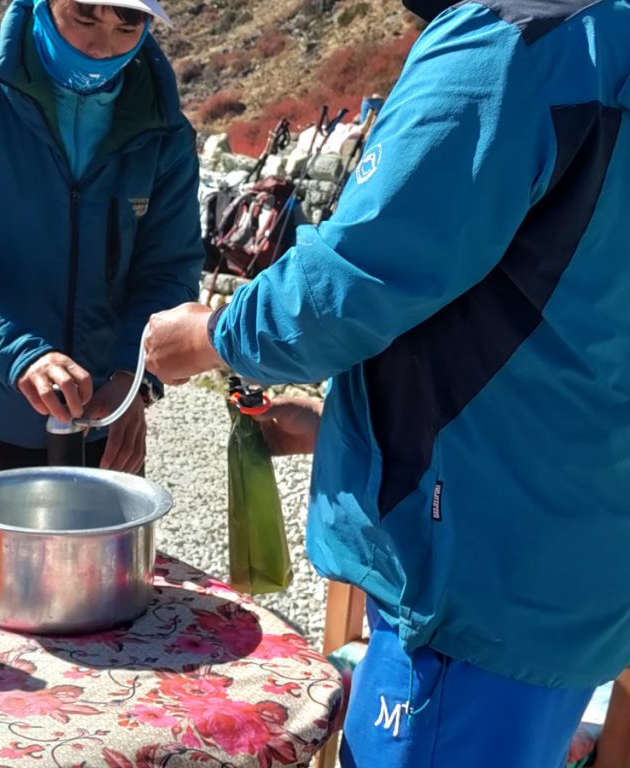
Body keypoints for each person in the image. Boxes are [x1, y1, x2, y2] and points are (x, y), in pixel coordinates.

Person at [143, 0, 630, 766]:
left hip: (469, 578)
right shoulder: (606, 34)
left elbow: (360, 275)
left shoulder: (508, 42)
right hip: (563, 554)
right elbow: (550, 315)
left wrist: (209, 335)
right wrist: (349, 422)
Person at [0, 0, 203, 482]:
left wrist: (133, 379)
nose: (103, 47)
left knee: (109, 560)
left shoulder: (165, 133)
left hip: (106, 420)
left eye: (127, 25)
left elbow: (169, 270)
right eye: (84, 18)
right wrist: (19, 353)